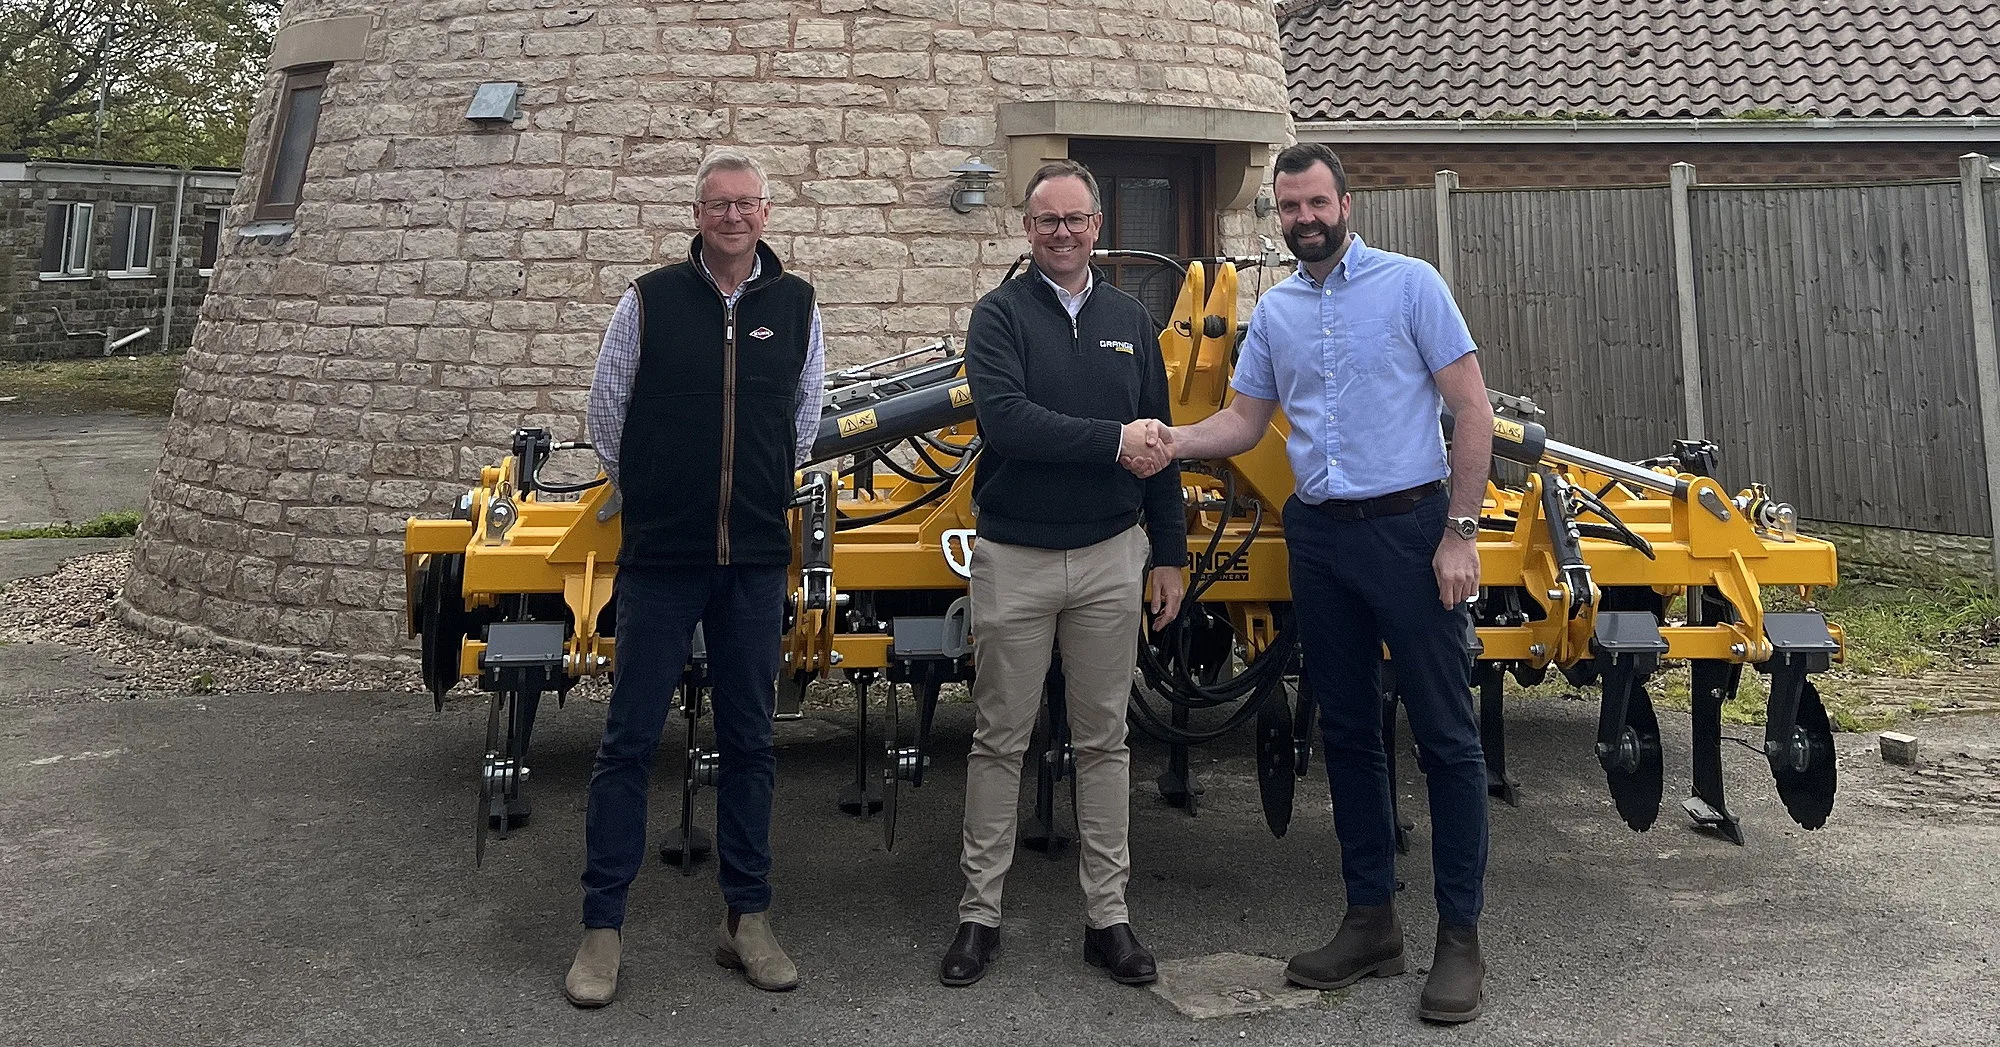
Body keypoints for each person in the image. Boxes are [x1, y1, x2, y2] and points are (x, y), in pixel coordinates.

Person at [1139, 143, 1495, 1023]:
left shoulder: (1413, 286)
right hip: (1321, 539)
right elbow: (1245, 419)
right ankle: (1371, 919)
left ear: (1345, 202)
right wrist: (1169, 440)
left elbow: (1473, 409)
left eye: (1316, 203)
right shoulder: (1278, 313)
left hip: (1411, 533)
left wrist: (1460, 532)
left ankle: (1460, 937)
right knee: (1346, 732)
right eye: (1289, 207)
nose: (1304, 219)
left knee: (1445, 736)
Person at [564, 148, 826, 1007]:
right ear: (698, 212)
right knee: (628, 742)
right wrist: (661, 491)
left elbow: (803, 419)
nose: (734, 217)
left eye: (747, 204)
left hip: (752, 561)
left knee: (752, 743)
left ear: (766, 213)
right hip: (662, 560)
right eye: (719, 204)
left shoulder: (795, 306)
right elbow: (609, 412)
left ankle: (746, 917)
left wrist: (752, 493)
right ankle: (602, 927)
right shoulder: (647, 300)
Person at [938, 159, 1187, 988]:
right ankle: (980, 915)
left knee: (1104, 740)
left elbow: (1162, 446)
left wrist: (1172, 551)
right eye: (1047, 221)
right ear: (1027, 229)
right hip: (1016, 557)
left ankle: (1107, 917)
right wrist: (1110, 440)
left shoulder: (1129, 321)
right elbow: (1008, 423)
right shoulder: (998, 317)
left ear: (1097, 227)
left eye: (1076, 220)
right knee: (1000, 737)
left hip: (1113, 557)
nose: (1063, 233)